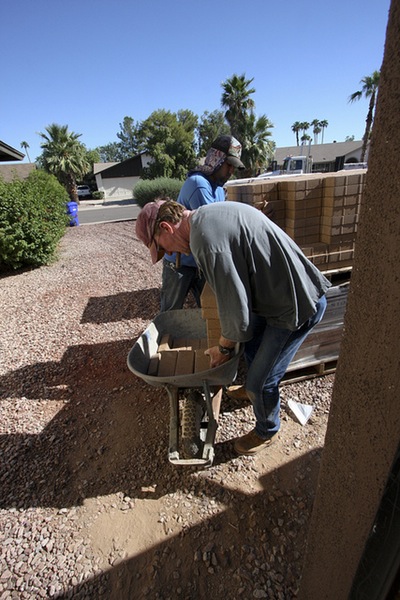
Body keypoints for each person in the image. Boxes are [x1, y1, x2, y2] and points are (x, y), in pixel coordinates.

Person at [135, 199, 331, 456]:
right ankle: (253, 386)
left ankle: (267, 429)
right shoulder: (205, 217)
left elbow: (237, 313)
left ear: (166, 227)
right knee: (250, 342)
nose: (174, 255)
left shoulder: (205, 241)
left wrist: (223, 349)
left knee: (261, 382)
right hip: (276, 294)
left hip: (294, 305)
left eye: (164, 249)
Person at [160, 135, 245, 312]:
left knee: (208, 310)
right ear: (216, 159)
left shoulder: (218, 188)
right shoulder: (198, 184)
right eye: (228, 164)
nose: (231, 171)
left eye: (234, 167)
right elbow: (213, 229)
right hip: (179, 263)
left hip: (199, 263)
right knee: (170, 313)